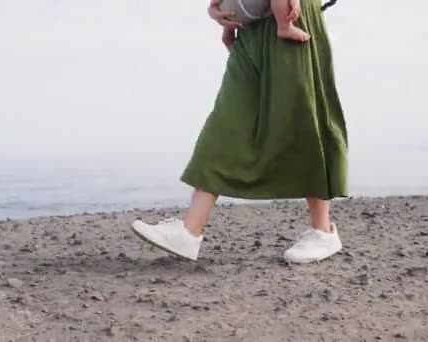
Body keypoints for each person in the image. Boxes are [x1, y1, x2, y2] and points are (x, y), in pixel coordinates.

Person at [131, 0, 347, 264]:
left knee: (303, 120)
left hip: (294, 16)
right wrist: (220, 12)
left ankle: (322, 231)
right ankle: (189, 230)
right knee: (227, 119)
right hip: (249, 32)